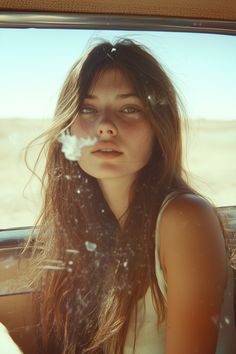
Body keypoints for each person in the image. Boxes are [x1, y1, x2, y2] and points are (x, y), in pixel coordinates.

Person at [8, 39, 236, 353]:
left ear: (159, 127)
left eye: (129, 108)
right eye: (88, 108)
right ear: (68, 130)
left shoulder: (183, 219)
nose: (105, 127)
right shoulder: (88, 229)